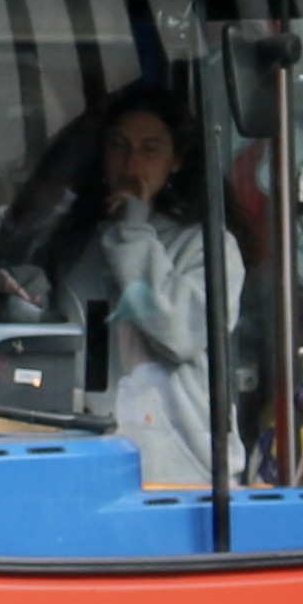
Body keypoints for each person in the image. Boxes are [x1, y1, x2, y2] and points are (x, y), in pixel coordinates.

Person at [43, 93, 239, 488]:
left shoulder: (207, 245)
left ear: (176, 161)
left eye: (150, 150)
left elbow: (177, 334)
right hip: (91, 456)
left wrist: (134, 230)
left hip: (181, 469)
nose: (132, 164)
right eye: (118, 146)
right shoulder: (79, 244)